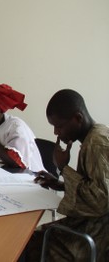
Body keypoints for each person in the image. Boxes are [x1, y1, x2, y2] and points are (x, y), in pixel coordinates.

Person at [25, 89, 109, 261]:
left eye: (59, 126)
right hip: (92, 226)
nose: (56, 132)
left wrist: (64, 168)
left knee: (30, 241)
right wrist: (62, 184)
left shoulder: (96, 143)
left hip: (95, 235)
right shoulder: (96, 134)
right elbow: (93, 186)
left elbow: (100, 202)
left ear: (78, 118)